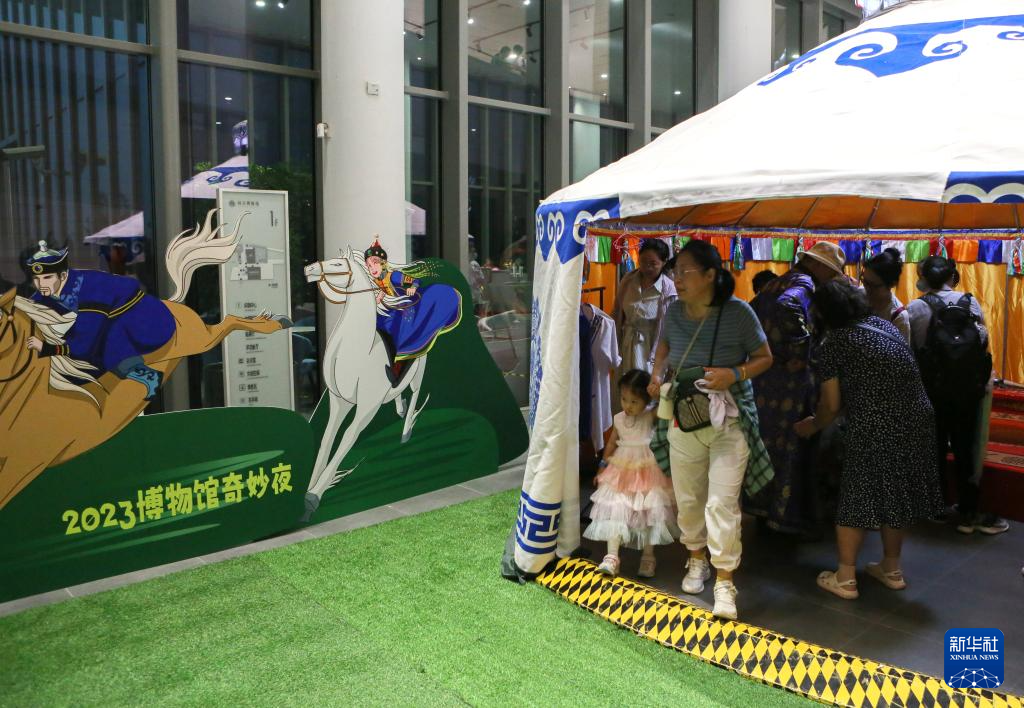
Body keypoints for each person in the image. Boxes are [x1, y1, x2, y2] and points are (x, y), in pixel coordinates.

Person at [648, 240, 774, 620]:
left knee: (722, 503)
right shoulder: (674, 310)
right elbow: (663, 348)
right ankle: (696, 558)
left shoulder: (739, 313)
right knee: (687, 498)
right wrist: (656, 375)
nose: (677, 278)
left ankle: (725, 580)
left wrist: (734, 373)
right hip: (685, 413)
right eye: (675, 271)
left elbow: (765, 357)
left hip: (729, 417)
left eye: (684, 271)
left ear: (710, 275)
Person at [795, 280, 943, 599]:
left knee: (856, 495)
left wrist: (812, 425)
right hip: (918, 418)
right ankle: (891, 569)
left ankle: (846, 578)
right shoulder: (883, 326)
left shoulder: (836, 342)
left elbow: (831, 404)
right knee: (895, 494)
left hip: (876, 423)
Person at [746, 241, 847, 536]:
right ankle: (787, 517)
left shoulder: (774, 283)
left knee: (766, 442)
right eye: (830, 272)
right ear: (817, 266)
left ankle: (762, 510)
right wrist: (801, 351)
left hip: (767, 377)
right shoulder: (803, 284)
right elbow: (787, 306)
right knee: (793, 443)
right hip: (792, 381)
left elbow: (752, 313)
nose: (831, 278)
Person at [906, 256, 1007, 535]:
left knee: (934, 446)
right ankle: (968, 509)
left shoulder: (916, 307)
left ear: (923, 278)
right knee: (965, 447)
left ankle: (935, 507)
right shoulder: (970, 302)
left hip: (931, 390)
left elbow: (911, 348)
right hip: (966, 390)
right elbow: (982, 340)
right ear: (953, 277)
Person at [25, 241, 174, 399]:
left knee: (106, 343)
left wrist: (47, 348)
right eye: (36, 279)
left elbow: (83, 345)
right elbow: (30, 310)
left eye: (47, 278)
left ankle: (147, 376)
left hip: (150, 320)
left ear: (62, 276)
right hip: (114, 316)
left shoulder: (89, 291)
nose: (41, 284)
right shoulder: (48, 290)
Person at [584, 369, 679, 578]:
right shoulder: (619, 419)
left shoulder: (650, 415)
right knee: (616, 508)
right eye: (624, 399)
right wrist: (602, 466)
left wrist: (659, 391)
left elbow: (666, 406)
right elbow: (611, 444)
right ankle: (612, 556)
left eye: (634, 401)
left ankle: (648, 556)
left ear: (646, 401)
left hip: (647, 471)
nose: (627, 405)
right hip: (621, 471)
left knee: (649, 511)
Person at [364, 238, 462, 385]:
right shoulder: (379, 281)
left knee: (402, 327)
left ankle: (399, 365)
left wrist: (412, 288)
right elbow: (385, 291)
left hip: (408, 306)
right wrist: (379, 298)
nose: (372, 268)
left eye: (375, 263)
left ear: (383, 263)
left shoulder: (394, 276)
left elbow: (415, 281)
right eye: (369, 265)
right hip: (396, 307)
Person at [612, 239, 677, 375]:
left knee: (646, 382)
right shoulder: (628, 281)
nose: (647, 267)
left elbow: (672, 330)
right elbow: (617, 312)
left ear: (664, 262)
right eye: (643, 262)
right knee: (625, 382)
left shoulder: (670, 291)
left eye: (653, 264)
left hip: (651, 348)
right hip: (626, 344)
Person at [862, 248, 911, 342]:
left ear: (892, 284)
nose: (867, 288)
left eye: (873, 285)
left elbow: (902, 350)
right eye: (864, 281)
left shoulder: (898, 317)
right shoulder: (859, 295)